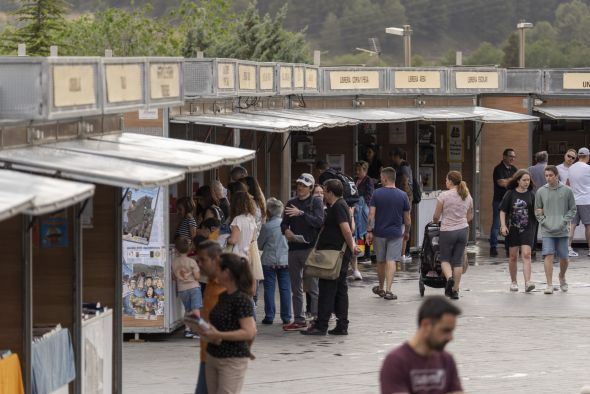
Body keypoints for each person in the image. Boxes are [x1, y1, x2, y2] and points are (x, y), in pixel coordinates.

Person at [301, 179, 359, 336]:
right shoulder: (340, 205)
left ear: (331, 193)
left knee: (327, 288)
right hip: (337, 254)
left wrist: (352, 246)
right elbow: (350, 227)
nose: (323, 194)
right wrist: (351, 246)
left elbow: (347, 230)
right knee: (340, 289)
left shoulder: (338, 206)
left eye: (325, 191)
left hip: (334, 255)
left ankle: (322, 325)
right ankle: (342, 324)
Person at [196, 253, 257, 394]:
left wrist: (219, 334)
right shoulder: (223, 296)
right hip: (213, 356)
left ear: (227, 272)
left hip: (231, 360)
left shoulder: (242, 299)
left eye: (218, 268)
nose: (215, 271)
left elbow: (249, 332)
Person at [380, 296, 463, 394]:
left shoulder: (446, 359)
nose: (450, 337)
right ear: (426, 325)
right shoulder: (396, 361)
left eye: (451, 331)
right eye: (445, 330)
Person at [281, 173, 325, 331]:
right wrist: (286, 231)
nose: (300, 187)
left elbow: (320, 221)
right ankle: (299, 319)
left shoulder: (316, 202)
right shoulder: (291, 202)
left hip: (310, 248)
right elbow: (283, 223)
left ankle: (315, 318)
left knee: (313, 286)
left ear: (311, 188)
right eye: (299, 184)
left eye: (304, 185)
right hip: (293, 248)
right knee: (295, 287)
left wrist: (302, 213)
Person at [367, 167, 411, 301]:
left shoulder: (376, 194)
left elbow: (371, 215)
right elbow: (407, 219)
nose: (381, 179)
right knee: (391, 260)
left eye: (381, 177)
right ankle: (389, 290)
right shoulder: (403, 195)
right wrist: (407, 232)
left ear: (385, 178)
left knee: (380, 261)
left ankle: (380, 287)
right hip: (396, 233)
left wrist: (369, 231)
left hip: (379, 233)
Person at [535, 165, 576, 294]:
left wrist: (564, 221)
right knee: (548, 255)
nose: (548, 178)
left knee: (564, 257)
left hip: (562, 230)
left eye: (550, 175)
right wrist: (544, 222)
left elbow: (573, 209)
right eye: (546, 176)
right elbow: (537, 210)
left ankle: (562, 277)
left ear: (556, 175)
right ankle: (549, 284)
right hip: (547, 230)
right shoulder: (540, 191)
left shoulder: (567, 191)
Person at [432, 171, 473, 300]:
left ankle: (449, 278)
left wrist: (435, 221)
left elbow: (436, 215)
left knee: (445, 259)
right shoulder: (467, 195)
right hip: (463, 230)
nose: (445, 182)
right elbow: (470, 216)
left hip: (447, 231)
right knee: (458, 261)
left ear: (450, 181)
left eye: (446, 180)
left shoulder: (444, 195)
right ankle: (455, 290)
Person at [193, 240, 225, 394]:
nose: (199, 264)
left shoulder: (228, 286)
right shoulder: (210, 284)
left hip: (222, 359)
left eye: (203, 260)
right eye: (197, 260)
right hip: (206, 354)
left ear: (216, 260)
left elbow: (248, 330)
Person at [499, 169, 536, 293]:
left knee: (526, 254)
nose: (526, 182)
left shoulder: (531, 194)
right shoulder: (510, 193)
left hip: (527, 228)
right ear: (518, 180)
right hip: (513, 229)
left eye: (528, 180)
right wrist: (503, 226)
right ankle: (514, 282)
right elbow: (503, 211)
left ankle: (527, 282)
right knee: (513, 256)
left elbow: (537, 211)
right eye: (524, 180)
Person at [258, 197, 291, 326]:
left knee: (269, 288)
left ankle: (270, 316)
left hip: (269, 260)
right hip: (285, 259)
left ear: (269, 211)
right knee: (285, 289)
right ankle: (286, 316)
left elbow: (260, 244)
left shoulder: (266, 227)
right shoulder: (287, 225)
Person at [226, 191, 259, 296]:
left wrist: (226, 239)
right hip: (247, 256)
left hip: (236, 256)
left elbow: (233, 240)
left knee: (237, 289)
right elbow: (253, 239)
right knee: (247, 288)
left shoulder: (237, 219)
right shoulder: (251, 219)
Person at [172, 237, 202, 338]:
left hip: (182, 289)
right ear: (189, 249)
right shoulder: (191, 261)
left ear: (176, 249)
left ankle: (187, 330)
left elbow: (173, 277)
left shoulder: (174, 262)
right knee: (196, 309)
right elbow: (197, 277)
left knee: (188, 310)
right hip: (194, 287)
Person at [490, 148, 518, 257]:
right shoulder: (498, 169)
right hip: (498, 200)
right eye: (510, 156)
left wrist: (508, 181)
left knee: (509, 225)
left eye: (514, 157)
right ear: (504, 156)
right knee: (497, 225)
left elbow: (517, 183)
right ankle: (493, 247)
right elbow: (501, 183)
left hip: (511, 202)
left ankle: (508, 248)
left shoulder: (514, 169)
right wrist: (511, 180)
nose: (512, 158)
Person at [390, 147, 414, 262]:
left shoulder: (403, 168)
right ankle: (403, 251)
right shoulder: (403, 167)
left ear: (398, 156)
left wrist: (401, 196)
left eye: (393, 156)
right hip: (405, 196)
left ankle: (406, 252)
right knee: (404, 222)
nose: (392, 158)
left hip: (404, 197)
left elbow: (404, 183)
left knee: (406, 222)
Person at [352, 160, 374, 279]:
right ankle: (361, 252)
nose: (357, 172)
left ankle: (367, 255)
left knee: (366, 230)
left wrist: (365, 204)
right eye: (357, 169)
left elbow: (370, 194)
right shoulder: (356, 180)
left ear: (365, 170)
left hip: (364, 207)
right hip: (357, 207)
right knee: (358, 229)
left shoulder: (368, 180)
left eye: (359, 170)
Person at [567, 147, 590, 256]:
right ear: (587, 156)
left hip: (574, 200)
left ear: (579, 156)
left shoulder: (571, 168)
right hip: (586, 200)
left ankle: (568, 247)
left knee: (572, 225)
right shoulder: (588, 168)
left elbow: (569, 183)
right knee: (588, 225)